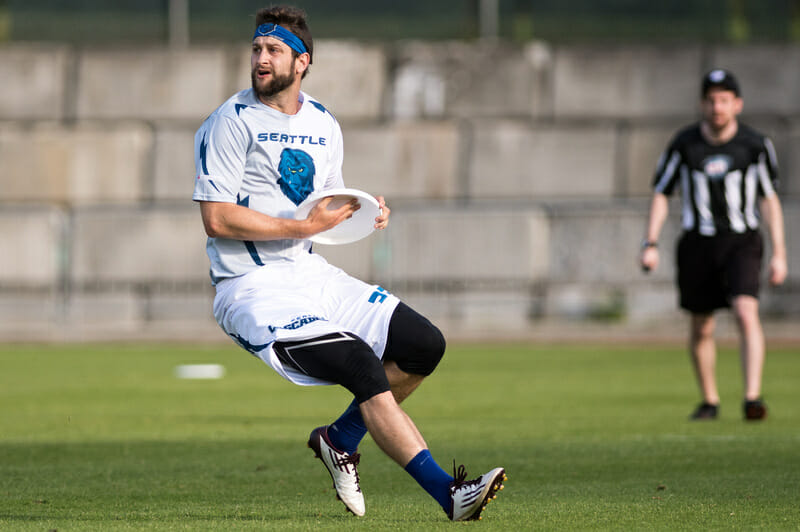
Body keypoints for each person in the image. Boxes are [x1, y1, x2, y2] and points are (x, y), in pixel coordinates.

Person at [192, 5, 505, 521]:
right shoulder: (229, 123)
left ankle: (339, 439)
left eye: (273, 50)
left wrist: (365, 210)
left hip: (309, 274)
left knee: (423, 345)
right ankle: (451, 496)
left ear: (303, 62)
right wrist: (304, 228)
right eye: (256, 49)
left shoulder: (323, 123)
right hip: (251, 288)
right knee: (360, 361)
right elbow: (218, 219)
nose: (260, 59)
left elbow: (324, 206)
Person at [640, 69, 788, 421]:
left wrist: (780, 253)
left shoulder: (755, 145)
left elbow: (769, 199)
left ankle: (752, 397)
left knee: (745, 311)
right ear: (701, 104)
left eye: (724, 100)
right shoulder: (684, 144)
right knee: (702, 325)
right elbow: (662, 192)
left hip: (742, 241)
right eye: (711, 100)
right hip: (698, 243)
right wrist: (650, 241)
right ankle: (710, 400)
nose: (717, 107)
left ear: (737, 104)